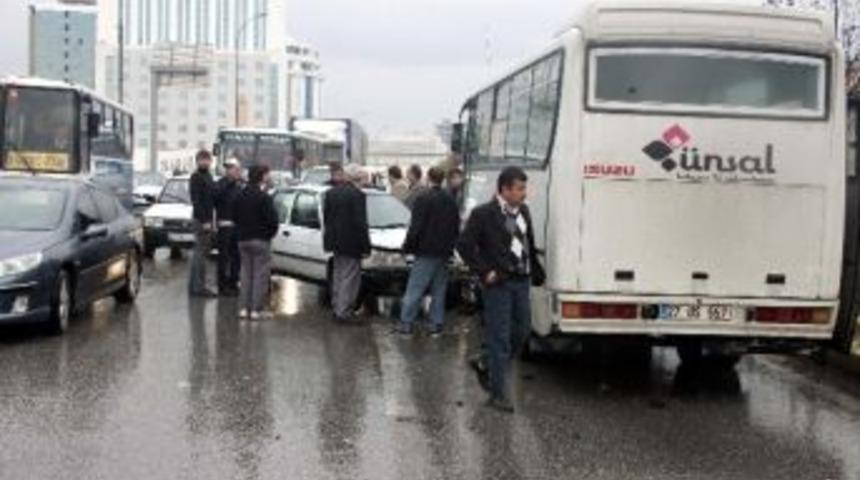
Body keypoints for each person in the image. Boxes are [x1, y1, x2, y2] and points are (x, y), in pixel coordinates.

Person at [457, 166, 545, 413]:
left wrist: (535, 270)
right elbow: (464, 245)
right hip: (499, 284)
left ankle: (486, 361)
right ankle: (498, 394)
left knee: (523, 330)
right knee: (500, 338)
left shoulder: (523, 211)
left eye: (524, 188)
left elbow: (527, 243)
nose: (524, 193)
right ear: (504, 189)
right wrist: (485, 271)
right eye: (519, 188)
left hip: (521, 280)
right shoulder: (483, 213)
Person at [396, 167, 460, 337]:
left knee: (415, 288)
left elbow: (415, 227)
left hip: (425, 251)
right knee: (439, 288)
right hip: (444, 252)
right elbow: (455, 228)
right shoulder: (451, 200)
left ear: (428, 178)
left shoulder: (423, 198)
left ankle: (406, 323)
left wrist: (407, 247)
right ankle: (435, 324)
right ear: (442, 179)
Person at [323, 164, 371, 323]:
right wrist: (366, 247)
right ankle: (344, 312)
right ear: (357, 177)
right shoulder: (358, 195)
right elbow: (360, 223)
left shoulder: (331, 193)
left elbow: (327, 219)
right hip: (352, 243)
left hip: (335, 241)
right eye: (363, 177)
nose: (365, 180)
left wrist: (328, 240)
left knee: (338, 275)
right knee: (350, 278)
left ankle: (337, 307)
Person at [234, 165, 280, 320]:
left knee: (245, 274)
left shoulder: (240, 195)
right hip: (260, 240)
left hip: (242, 240)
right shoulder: (264, 197)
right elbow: (273, 220)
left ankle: (243, 309)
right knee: (260, 275)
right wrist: (269, 235)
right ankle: (256, 310)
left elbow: (234, 216)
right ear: (262, 177)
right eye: (267, 175)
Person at [189, 149, 217, 298]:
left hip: (207, 219)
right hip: (201, 221)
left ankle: (194, 287)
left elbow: (212, 197)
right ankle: (199, 288)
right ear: (197, 161)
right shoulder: (196, 177)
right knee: (200, 255)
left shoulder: (209, 176)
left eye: (208, 159)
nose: (205, 162)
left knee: (200, 254)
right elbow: (197, 201)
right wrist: (205, 221)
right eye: (203, 159)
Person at [214, 158, 244, 296]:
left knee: (236, 257)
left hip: (237, 227)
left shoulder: (239, 187)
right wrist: (229, 182)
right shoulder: (221, 184)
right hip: (224, 226)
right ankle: (222, 285)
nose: (231, 171)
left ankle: (233, 282)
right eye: (229, 168)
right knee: (223, 258)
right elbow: (216, 198)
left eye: (234, 168)